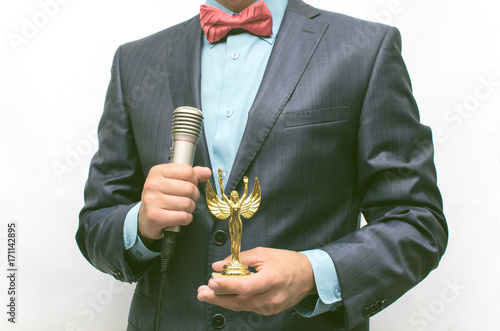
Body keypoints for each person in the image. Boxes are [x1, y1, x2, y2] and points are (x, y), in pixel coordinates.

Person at [76, 0, 448, 330]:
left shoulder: (366, 48)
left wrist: (313, 273)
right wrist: (139, 224)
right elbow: (95, 223)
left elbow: (417, 220)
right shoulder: (135, 61)